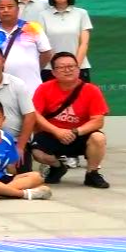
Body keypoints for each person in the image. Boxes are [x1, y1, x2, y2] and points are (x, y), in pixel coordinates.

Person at [31, 52, 109, 188]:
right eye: (62, 67)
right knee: (37, 152)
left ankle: (92, 173)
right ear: (53, 72)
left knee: (98, 138)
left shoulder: (92, 90)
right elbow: (35, 114)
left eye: (71, 66)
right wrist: (56, 131)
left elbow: (98, 121)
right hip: (53, 133)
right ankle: (57, 167)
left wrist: (75, 131)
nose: (67, 70)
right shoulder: (44, 88)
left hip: (80, 134)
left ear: (78, 69)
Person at [0, 0, 52, 96]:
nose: (6, 10)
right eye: (1, 8)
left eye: (10, 7)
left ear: (18, 9)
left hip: (32, 88)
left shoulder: (33, 28)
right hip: (3, 90)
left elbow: (46, 53)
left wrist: (34, 68)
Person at [40, 0, 93, 82]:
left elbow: (84, 43)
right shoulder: (43, 15)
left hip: (79, 68)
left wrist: (75, 67)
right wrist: (58, 67)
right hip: (51, 70)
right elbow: (44, 45)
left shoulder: (81, 13)